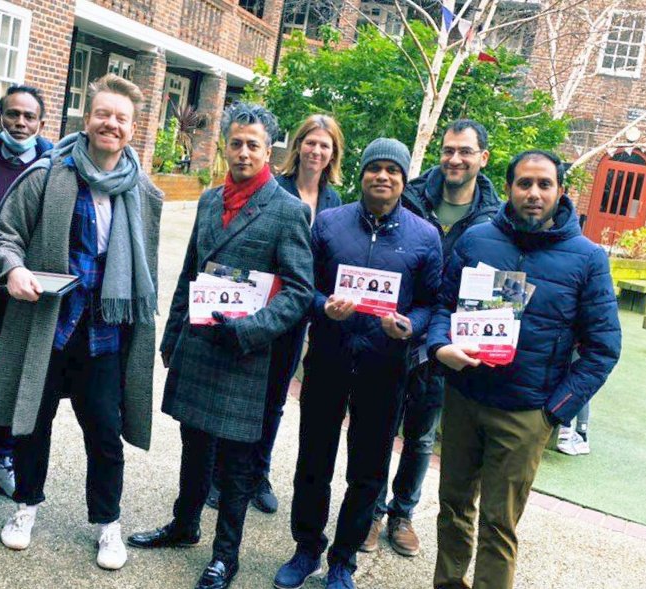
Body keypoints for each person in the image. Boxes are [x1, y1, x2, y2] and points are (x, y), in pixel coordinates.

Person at [127, 102, 313, 589]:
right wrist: (172, 337)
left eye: (253, 144)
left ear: (269, 150)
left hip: (245, 356)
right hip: (200, 345)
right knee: (193, 445)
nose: (243, 152)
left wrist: (252, 329)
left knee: (234, 465)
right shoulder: (210, 200)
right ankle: (184, 524)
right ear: (225, 146)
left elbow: (299, 291)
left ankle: (225, 556)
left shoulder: (289, 211)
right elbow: (190, 273)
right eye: (236, 143)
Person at [0, 74, 163, 571]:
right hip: (49, 326)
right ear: (87, 119)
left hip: (105, 332)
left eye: (121, 118)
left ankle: (108, 525)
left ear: (131, 128)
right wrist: (14, 269)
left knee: (104, 431)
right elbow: (4, 235)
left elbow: (144, 264)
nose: (112, 124)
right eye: (103, 114)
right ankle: (26, 508)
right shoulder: (49, 174)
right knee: (31, 424)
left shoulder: (143, 192)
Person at [429, 150, 621, 588]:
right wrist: (441, 346)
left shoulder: (587, 259)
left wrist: (553, 412)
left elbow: (603, 348)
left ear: (560, 191)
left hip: (525, 413)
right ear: (510, 187)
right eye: (524, 184)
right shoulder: (477, 241)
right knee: (454, 508)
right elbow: (444, 306)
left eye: (544, 184)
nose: (534, 194)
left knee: (499, 525)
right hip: (465, 398)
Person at [273, 138, 442, 589]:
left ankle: (343, 560)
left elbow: (431, 301)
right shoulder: (329, 223)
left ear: (404, 180)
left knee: (368, 471)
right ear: (362, 173)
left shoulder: (424, 236)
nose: (382, 176)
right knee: (313, 460)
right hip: (328, 358)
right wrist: (323, 305)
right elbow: (301, 285)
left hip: (385, 367)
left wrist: (410, 326)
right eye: (375, 168)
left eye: (393, 170)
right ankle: (306, 547)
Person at [366, 119, 501, 558]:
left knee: (422, 436)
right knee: (380, 428)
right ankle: (369, 512)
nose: (454, 159)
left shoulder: (495, 218)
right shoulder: (412, 196)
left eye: (465, 151)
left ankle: (402, 512)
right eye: (448, 150)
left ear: (483, 157)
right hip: (394, 330)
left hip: (446, 342)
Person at [205, 113, 344, 515]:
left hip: (297, 315)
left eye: (325, 144)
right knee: (238, 391)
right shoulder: (272, 188)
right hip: (253, 309)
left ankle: (256, 473)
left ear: (333, 152)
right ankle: (221, 473)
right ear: (296, 146)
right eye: (310, 142)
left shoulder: (335, 202)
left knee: (276, 399)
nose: (316, 150)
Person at [0, 85, 53, 498]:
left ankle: (1, 459)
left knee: (15, 379)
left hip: (29, 294)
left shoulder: (56, 166)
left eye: (29, 117)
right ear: (1, 116)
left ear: (41, 122)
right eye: (13, 114)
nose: (21, 123)